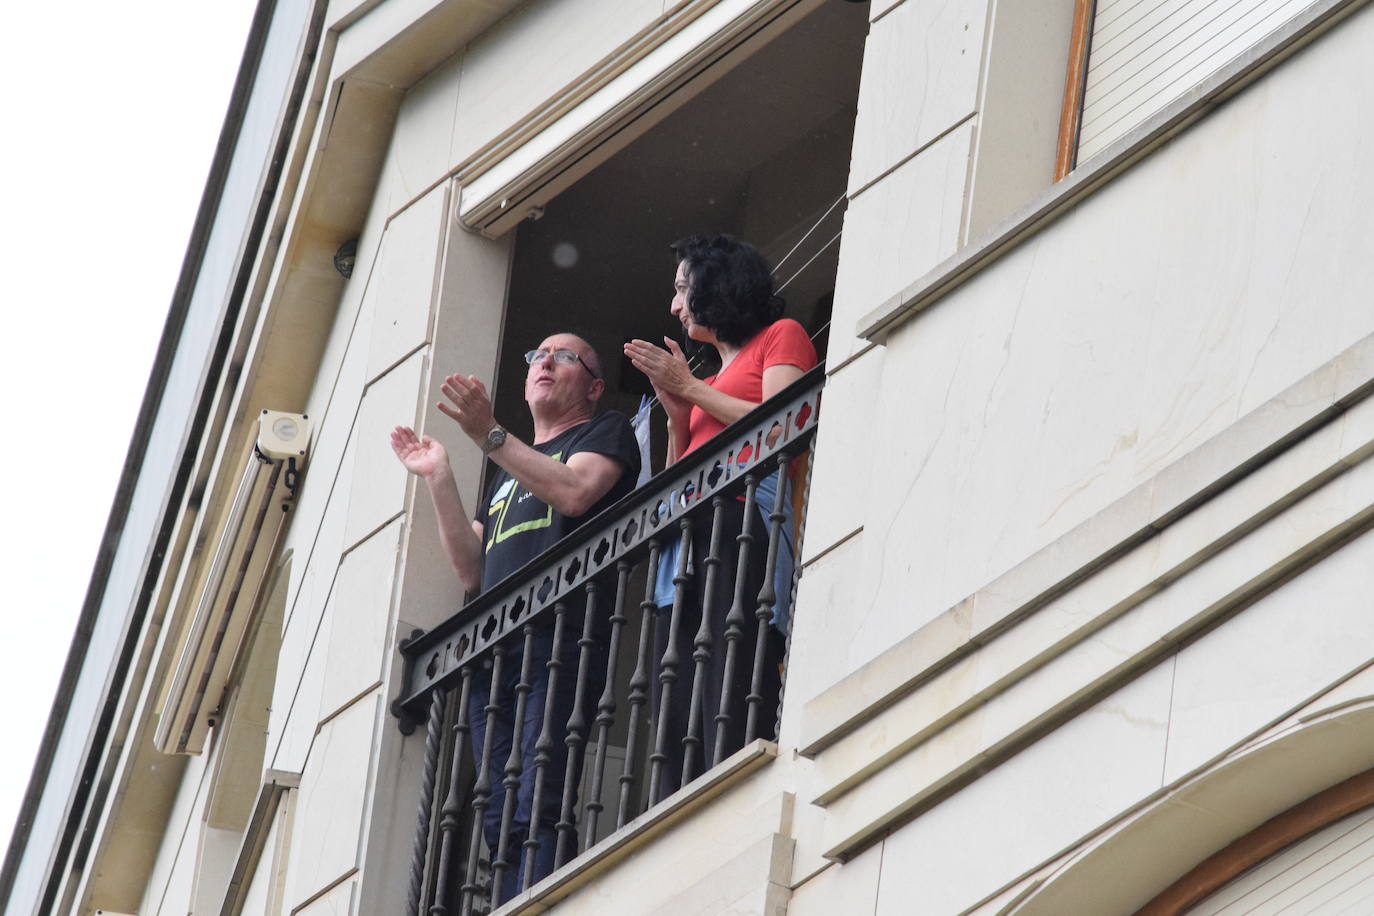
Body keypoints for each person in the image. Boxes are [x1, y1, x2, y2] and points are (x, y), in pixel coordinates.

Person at [391, 332, 639, 902]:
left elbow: (576, 493)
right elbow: (472, 568)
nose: (545, 361)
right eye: (537, 355)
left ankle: (538, 898)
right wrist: (440, 476)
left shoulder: (605, 432)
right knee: (501, 811)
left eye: (565, 356)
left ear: (595, 386)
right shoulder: (509, 478)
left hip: (560, 637)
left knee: (539, 794)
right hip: (498, 654)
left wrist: (489, 434)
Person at [623, 235, 817, 794]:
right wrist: (677, 413)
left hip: (740, 522)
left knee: (727, 681)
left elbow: (783, 426)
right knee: (677, 694)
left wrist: (690, 388)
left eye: (683, 288)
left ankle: (731, 789)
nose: (675, 305)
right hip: (687, 538)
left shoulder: (781, 337)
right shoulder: (705, 384)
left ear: (719, 283)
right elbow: (673, 478)